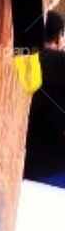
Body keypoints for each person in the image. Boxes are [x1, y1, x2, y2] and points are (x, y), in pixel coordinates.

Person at [24, 11, 65, 185]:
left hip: (23, 162)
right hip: (51, 169)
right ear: (58, 36)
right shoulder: (61, 63)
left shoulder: (20, 60)